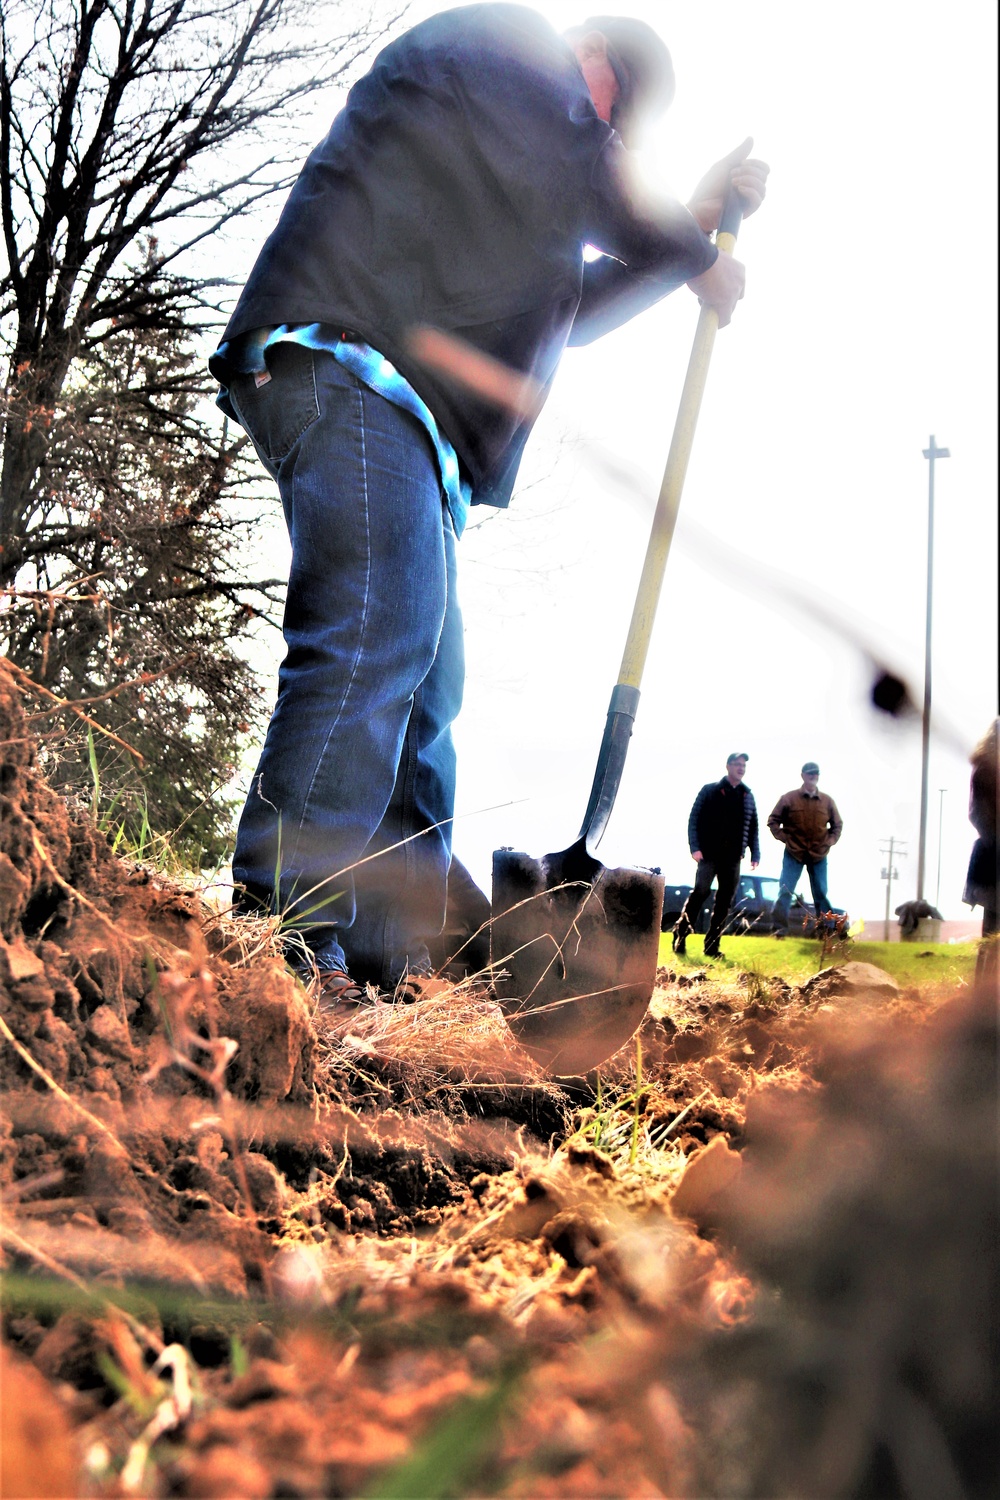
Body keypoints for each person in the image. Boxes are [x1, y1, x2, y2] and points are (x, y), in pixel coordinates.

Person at [210, 5, 768, 1008]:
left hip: (404, 427)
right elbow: (594, 180)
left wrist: (688, 229)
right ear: (592, 67)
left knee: (425, 700)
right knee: (377, 633)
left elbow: (574, 307)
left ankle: (393, 965)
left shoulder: (526, 172)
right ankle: (285, 939)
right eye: (613, 118)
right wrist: (692, 246)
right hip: (342, 364)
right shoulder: (503, 54)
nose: (606, 139)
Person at [672, 753, 760, 960]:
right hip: (708, 854)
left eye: (744, 765)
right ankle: (680, 934)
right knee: (701, 892)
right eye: (737, 764)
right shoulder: (709, 790)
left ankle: (712, 947)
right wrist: (695, 847)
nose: (741, 768)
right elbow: (694, 819)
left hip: (733, 857)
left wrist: (755, 853)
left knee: (724, 902)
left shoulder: (747, 795)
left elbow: (753, 826)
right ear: (728, 766)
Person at [767, 762, 843, 936]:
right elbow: (773, 821)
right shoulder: (789, 798)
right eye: (810, 773)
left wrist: (830, 841)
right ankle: (779, 930)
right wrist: (785, 838)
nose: (813, 776)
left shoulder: (827, 801)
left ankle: (827, 932)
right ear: (802, 775)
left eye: (816, 773)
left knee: (821, 894)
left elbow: (837, 824)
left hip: (819, 854)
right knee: (785, 891)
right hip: (794, 853)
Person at [963, 719, 998, 984]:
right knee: (993, 932)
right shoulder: (985, 768)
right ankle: (982, 998)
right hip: (992, 860)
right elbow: (977, 815)